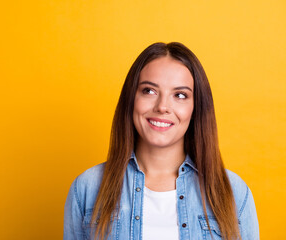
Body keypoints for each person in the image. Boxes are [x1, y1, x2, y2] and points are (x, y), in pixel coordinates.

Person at [63, 42, 259, 240]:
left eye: (180, 95)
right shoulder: (87, 188)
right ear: (131, 98)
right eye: (149, 91)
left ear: (195, 108)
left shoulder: (234, 193)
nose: (162, 107)